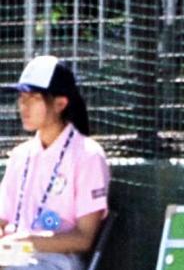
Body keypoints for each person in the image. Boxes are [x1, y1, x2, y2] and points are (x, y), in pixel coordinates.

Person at [0, 55, 110, 270]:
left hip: (57, 260)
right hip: (14, 254)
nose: (23, 106)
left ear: (60, 103)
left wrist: (28, 241)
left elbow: (84, 238)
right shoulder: (19, 155)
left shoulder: (88, 155)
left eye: (33, 98)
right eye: (22, 97)